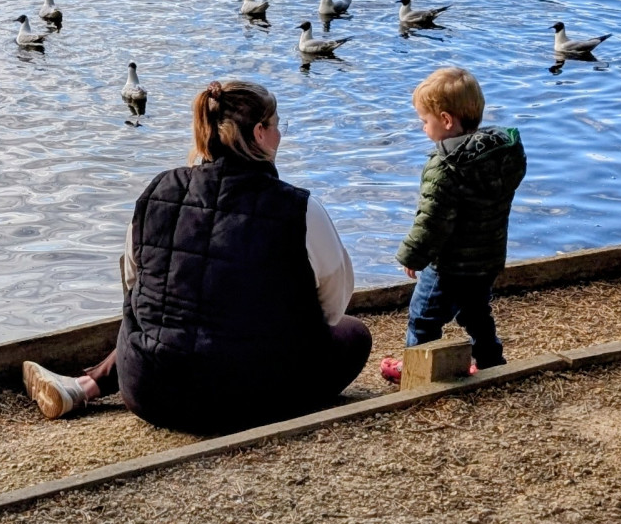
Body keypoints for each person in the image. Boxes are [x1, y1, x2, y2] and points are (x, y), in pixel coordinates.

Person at [21, 78, 371, 433]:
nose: (281, 136)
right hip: (254, 398)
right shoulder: (301, 209)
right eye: (278, 126)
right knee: (354, 334)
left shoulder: (158, 190)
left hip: (149, 392)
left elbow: (133, 283)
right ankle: (92, 383)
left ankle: (86, 385)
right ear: (261, 132)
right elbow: (333, 304)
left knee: (159, 312)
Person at [386, 64, 526, 379]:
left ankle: (417, 369)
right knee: (476, 312)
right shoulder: (503, 155)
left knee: (423, 318)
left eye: (424, 121)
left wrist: (413, 255)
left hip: (448, 266)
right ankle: (490, 360)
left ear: (446, 121)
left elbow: (433, 221)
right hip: (487, 258)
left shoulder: (444, 168)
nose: (422, 127)